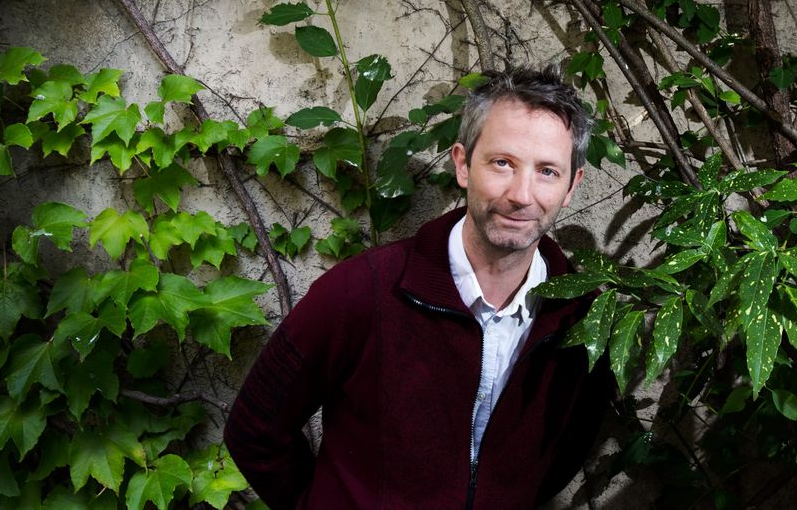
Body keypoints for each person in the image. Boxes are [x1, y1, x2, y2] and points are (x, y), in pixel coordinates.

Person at [224, 66, 614, 509]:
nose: (522, 195)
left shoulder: (585, 320)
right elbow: (254, 429)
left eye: (547, 171)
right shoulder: (360, 291)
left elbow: (562, 455)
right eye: (502, 163)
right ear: (463, 164)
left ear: (571, 186)